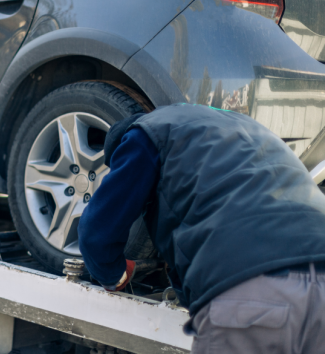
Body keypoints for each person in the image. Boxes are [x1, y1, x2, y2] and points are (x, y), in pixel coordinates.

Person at [78, 103, 325, 353]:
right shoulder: (247, 128)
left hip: (250, 293)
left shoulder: (144, 135)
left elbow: (96, 233)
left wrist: (113, 275)